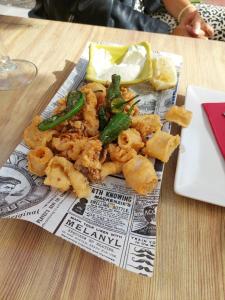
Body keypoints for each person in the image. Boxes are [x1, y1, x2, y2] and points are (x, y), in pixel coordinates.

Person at [29, 0, 224, 41]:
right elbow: (88, 7)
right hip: (83, 25)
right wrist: (169, 35)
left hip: (145, 12)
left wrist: (187, 12)